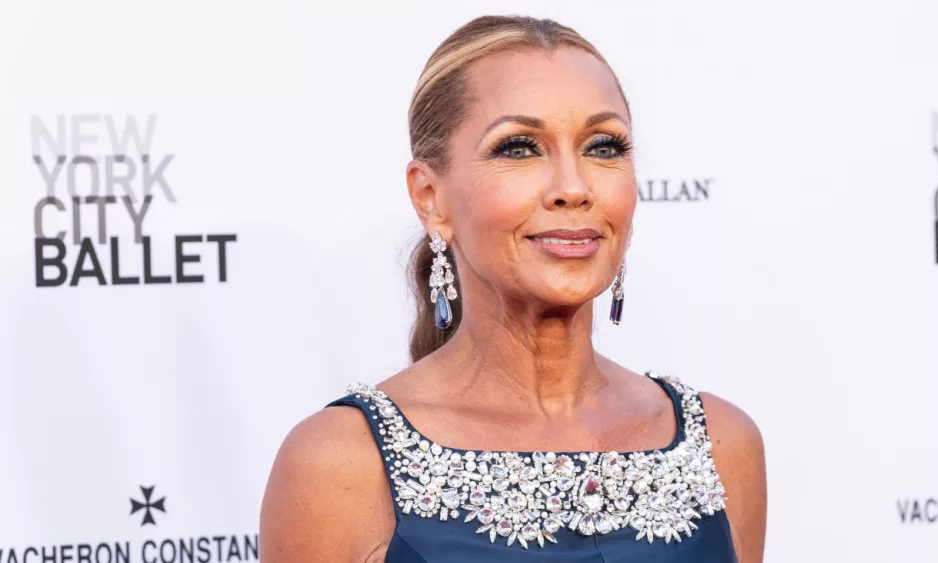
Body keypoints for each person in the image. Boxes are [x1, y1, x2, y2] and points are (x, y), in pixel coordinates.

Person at [260, 14, 766, 563]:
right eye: (520, 148)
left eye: (604, 146)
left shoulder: (721, 443)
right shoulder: (338, 465)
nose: (573, 188)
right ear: (430, 197)